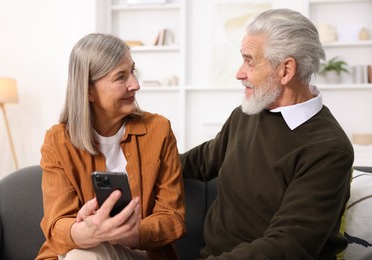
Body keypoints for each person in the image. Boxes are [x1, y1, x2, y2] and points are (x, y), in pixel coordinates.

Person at [180, 8, 354, 259]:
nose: (240, 73)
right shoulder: (248, 114)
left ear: (286, 70)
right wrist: (133, 172)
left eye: (249, 61)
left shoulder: (329, 148)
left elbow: (288, 246)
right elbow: (199, 161)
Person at [36, 33, 185, 260]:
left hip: (139, 252)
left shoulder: (159, 130)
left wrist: (132, 233)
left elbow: (173, 218)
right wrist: (83, 232)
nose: (135, 85)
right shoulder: (58, 142)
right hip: (78, 251)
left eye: (132, 72)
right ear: (88, 91)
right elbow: (57, 223)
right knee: (84, 254)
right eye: (120, 77)